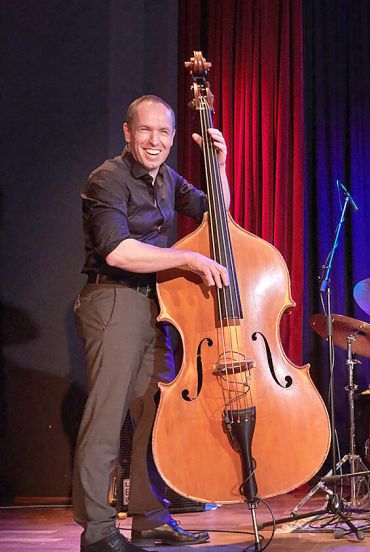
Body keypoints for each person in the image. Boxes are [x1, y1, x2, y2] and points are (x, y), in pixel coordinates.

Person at [74, 95, 231, 552]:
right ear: (127, 132)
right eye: (146, 131)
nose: (155, 141)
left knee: (155, 413)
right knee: (107, 418)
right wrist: (185, 257)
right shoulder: (108, 179)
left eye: (164, 133)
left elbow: (216, 216)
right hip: (112, 301)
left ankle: (148, 517)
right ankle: (100, 531)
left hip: (154, 306)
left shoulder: (167, 178)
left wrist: (219, 166)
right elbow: (117, 250)